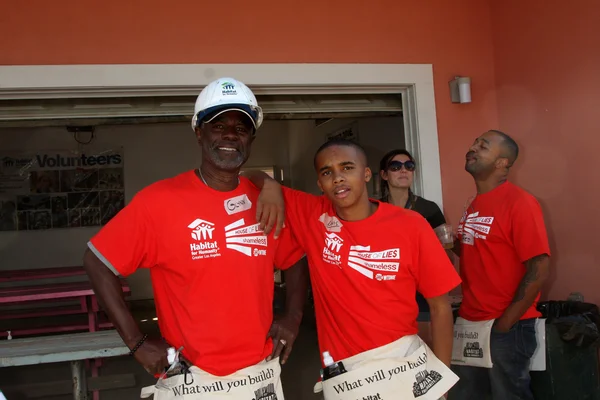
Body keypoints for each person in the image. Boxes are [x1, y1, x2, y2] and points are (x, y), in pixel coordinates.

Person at [82, 77, 308, 392]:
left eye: (241, 128)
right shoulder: (158, 202)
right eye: (218, 125)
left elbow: (295, 258)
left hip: (259, 373)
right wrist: (137, 343)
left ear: (251, 139)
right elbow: (97, 261)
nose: (230, 134)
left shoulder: (264, 201)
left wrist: (293, 317)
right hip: (192, 378)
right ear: (199, 132)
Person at [247, 138, 461, 398]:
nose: (337, 178)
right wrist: (270, 185)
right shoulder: (313, 214)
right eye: (327, 172)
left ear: (367, 174)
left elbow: (440, 306)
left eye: (347, 168)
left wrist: (442, 382)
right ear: (320, 184)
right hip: (347, 378)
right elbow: (250, 175)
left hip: (404, 363)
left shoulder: (411, 225)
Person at [448, 130, 550, 400]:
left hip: (504, 326)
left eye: (483, 145)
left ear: (503, 162)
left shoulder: (521, 203)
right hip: (470, 322)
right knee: (466, 395)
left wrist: (505, 325)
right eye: (473, 142)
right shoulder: (474, 205)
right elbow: (481, 251)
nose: (472, 147)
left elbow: (539, 269)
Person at [379, 149, 453, 335]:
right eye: (396, 166)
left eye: (409, 166)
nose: (403, 170)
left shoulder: (428, 208)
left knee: (424, 346)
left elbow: (447, 250)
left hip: (422, 289)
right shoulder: (374, 208)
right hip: (386, 288)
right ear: (384, 174)